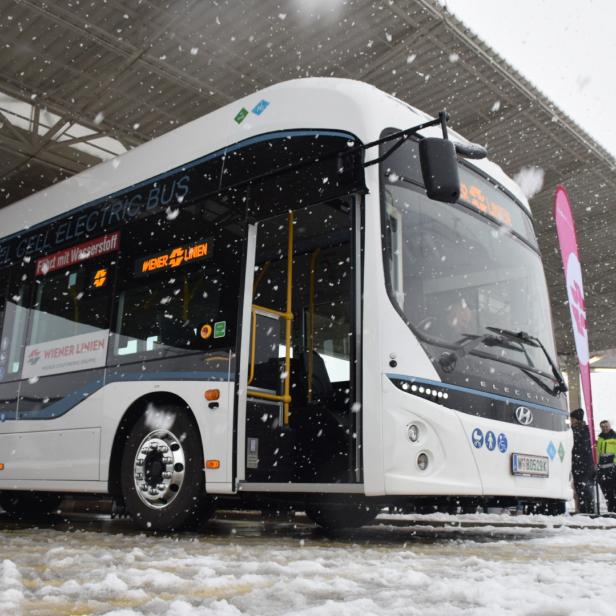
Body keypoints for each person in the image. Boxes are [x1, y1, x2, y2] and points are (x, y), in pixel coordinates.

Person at [569, 408, 596, 514]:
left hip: (583, 464)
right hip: (578, 464)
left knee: (585, 488)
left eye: (573, 419)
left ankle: (587, 510)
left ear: (577, 419)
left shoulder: (583, 430)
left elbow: (581, 447)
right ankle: (583, 509)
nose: (571, 421)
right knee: (580, 488)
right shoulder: (577, 430)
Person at [596, 419, 616, 512]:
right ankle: (611, 509)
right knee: (606, 492)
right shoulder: (600, 438)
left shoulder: (614, 437)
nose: (605, 428)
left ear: (610, 426)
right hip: (603, 470)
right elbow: (598, 453)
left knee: (613, 491)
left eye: (606, 426)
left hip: (613, 469)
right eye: (602, 427)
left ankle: (613, 509)